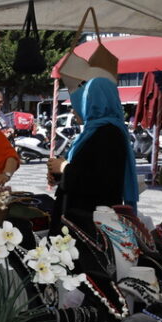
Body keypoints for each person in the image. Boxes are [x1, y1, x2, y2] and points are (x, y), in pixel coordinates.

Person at [47, 77, 139, 230]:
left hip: (88, 221)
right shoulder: (94, 131)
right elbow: (87, 168)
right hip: (78, 215)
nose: (74, 109)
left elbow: (101, 182)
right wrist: (59, 176)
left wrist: (64, 168)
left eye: (84, 100)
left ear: (96, 102)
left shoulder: (109, 134)